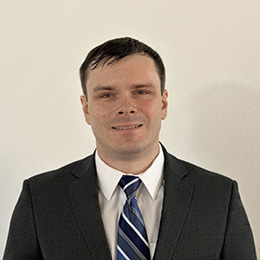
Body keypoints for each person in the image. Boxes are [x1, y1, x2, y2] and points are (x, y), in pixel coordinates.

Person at [3, 37, 257, 260]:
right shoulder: (41, 198)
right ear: (86, 109)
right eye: (106, 95)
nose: (126, 107)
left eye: (141, 91)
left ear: (163, 103)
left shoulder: (219, 196)